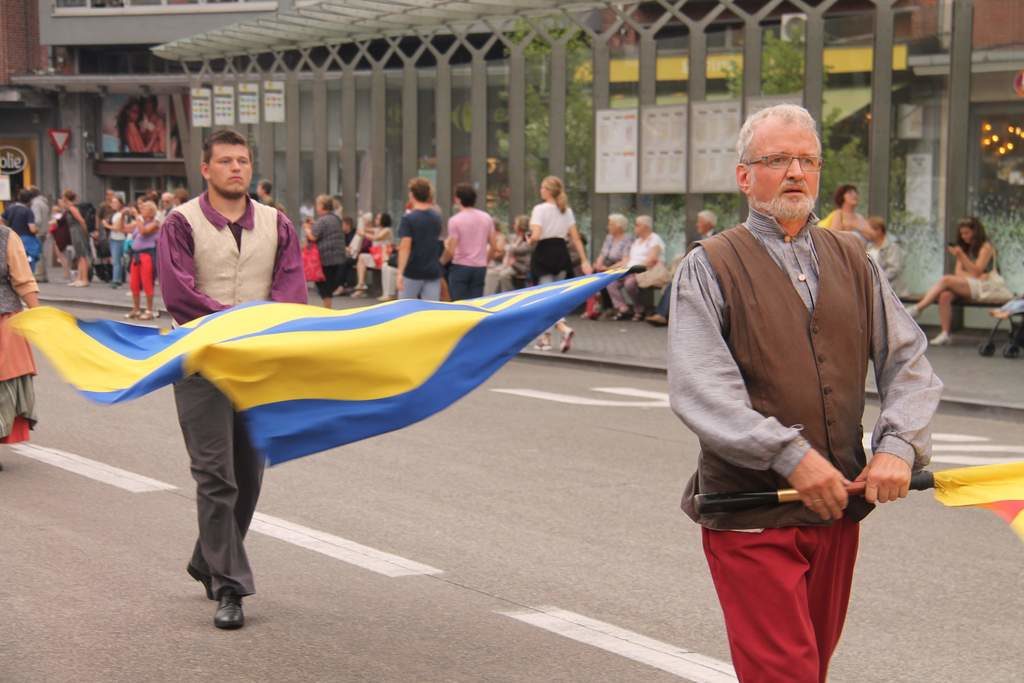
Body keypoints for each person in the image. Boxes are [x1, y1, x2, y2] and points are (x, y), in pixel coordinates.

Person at [668, 104, 942, 682]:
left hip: (837, 506)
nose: (795, 172)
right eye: (776, 160)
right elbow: (702, 391)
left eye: (807, 160)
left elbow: (909, 361)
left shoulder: (854, 260)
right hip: (748, 512)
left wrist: (897, 445)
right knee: (785, 675)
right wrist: (789, 455)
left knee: (810, 668)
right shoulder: (707, 266)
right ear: (746, 176)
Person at [157, 129, 306, 630]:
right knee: (215, 475)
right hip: (200, 362)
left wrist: (267, 331)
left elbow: (290, 290)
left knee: (248, 476)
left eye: (242, 160)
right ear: (206, 169)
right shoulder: (180, 223)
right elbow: (180, 293)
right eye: (225, 161)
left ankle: (207, 558)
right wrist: (234, 320)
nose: (236, 168)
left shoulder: (277, 224)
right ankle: (230, 587)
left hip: (256, 364)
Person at [909, 216, 1012, 346]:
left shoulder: (986, 247)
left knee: (946, 279)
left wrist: (962, 257)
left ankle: (918, 308)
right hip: (971, 285)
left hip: (985, 287)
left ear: (975, 232)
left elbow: (977, 271)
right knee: (945, 295)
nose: (964, 236)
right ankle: (945, 333)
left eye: (967, 233)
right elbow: (959, 273)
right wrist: (970, 271)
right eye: (962, 234)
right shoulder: (963, 248)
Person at [528, 176, 592, 352]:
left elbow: (536, 235)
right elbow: (576, 238)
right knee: (553, 298)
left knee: (545, 300)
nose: (540, 191)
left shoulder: (539, 209)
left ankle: (562, 330)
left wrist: (528, 239)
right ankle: (546, 338)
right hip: (561, 254)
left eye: (542, 187)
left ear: (548, 191)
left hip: (544, 254)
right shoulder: (566, 210)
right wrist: (585, 260)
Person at [0, 219, 41, 468]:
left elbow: (23, 280)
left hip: (4, 319)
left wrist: (38, 314)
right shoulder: (6, 236)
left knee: (4, 386)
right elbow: (23, 280)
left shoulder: (6, 237)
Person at [646, 209, 717, 327]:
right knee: (674, 282)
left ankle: (663, 315)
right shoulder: (696, 237)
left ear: (709, 223)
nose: (697, 224)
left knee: (679, 282)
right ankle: (662, 315)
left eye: (700, 222)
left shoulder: (719, 236)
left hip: (710, 273)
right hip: (694, 270)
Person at [605, 215, 664, 321]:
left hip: (644, 271)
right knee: (610, 282)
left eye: (637, 225)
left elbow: (652, 260)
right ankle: (623, 307)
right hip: (629, 270)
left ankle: (639, 309)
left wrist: (635, 269)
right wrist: (610, 268)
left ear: (645, 227)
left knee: (629, 284)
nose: (634, 227)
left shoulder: (654, 239)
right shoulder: (637, 241)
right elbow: (627, 259)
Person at [444, 183, 497, 301]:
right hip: (480, 267)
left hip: (460, 266)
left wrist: (441, 262)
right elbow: (494, 245)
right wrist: (485, 261)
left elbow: (451, 249)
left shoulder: (455, 220)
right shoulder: (486, 217)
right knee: (476, 303)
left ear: (457, 199)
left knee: (458, 303)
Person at [396, 177, 443, 301]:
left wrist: (400, 273)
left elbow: (405, 247)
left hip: (412, 270)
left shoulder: (408, 219)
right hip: (432, 270)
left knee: (405, 310)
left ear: (412, 195)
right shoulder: (436, 217)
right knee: (431, 312)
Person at [303, 195, 346, 308]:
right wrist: (314, 224)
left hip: (325, 257)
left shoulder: (322, 220)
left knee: (323, 285)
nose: (316, 207)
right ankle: (328, 306)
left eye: (317, 204)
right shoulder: (336, 219)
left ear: (322, 206)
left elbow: (313, 237)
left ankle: (327, 309)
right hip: (338, 256)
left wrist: (307, 229)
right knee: (328, 284)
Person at [125, 201, 160, 321]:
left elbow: (143, 231)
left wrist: (137, 217)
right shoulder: (140, 222)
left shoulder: (155, 223)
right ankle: (136, 309)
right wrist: (123, 216)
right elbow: (122, 229)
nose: (141, 210)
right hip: (136, 256)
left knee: (147, 283)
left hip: (147, 255)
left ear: (151, 211)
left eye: (144, 208)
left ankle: (149, 310)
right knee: (134, 283)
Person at [866, 216, 906, 297]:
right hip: (872, 289)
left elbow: (894, 270)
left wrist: (876, 280)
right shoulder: (868, 247)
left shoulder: (892, 247)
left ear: (879, 230)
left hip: (890, 291)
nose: (866, 232)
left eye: (869, 229)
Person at [1, 189, 40, 271]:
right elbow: (32, 228)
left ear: (19, 197)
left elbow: (1, 220)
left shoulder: (10, 208)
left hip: (11, 237)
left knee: (13, 259)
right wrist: (37, 230)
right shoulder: (28, 211)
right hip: (27, 239)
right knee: (29, 259)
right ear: (30, 200)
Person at [60, 190, 91, 288]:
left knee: (82, 255)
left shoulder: (73, 208)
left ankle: (85, 279)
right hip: (74, 232)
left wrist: (85, 233)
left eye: (63, 197)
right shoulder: (69, 208)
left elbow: (81, 221)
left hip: (78, 231)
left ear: (66, 198)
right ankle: (79, 278)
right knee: (78, 255)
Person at [103, 195, 127, 288]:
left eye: (115, 202)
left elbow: (117, 228)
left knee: (116, 261)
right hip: (114, 238)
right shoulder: (115, 214)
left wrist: (106, 225)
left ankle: (116, 280)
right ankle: (118, 279)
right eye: (112, 202)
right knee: (117, 260)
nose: (113, 204)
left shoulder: (121, 214)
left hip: (119, 239)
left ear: (120, 204)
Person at [28, 188, 50, 282]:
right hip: (44, 231)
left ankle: (38, 275)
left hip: (38, 231)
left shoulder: (35, 204)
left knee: (37, 254)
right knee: (41, 253)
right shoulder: (43, 202)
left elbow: (37, 219)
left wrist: (32, 226)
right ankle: (43, 275)